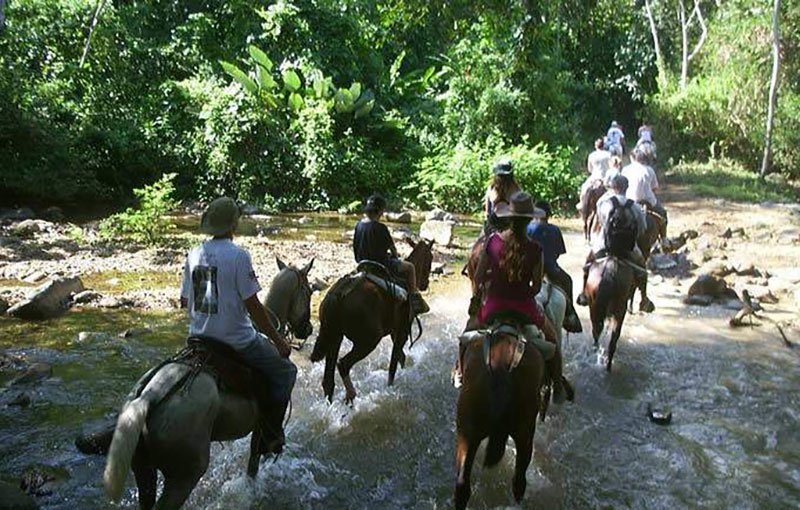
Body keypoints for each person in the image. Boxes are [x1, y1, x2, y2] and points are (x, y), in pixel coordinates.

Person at [180, 197, 296, 456]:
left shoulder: (195, 253)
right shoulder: (239, 256)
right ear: (234, 225)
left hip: (198, 338)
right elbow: (254, 306)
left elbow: (186, 301)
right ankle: (271, 436)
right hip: (237, 341)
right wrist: (279, 340)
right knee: (286, 371)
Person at [472, 192, 567, 403]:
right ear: (529, 220)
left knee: (466, 336)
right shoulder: (535, 249)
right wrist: (524, 293)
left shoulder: (492, 242)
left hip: (493, 307)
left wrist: (487, 290)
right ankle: (558, 386)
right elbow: (535, 286)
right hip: (525, 309)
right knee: (553, 341)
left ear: (509, 217)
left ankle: (460, 372)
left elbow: (478, 278)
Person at [576, 174, 649, 308]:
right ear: (626, 188)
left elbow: (601, 224)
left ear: (613, 187)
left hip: (604, 245)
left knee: (587, 264)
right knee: (643, 269)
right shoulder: (635, 207)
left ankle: (583, 294)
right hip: (628, 248)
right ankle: (644, 299)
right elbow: (642, 228)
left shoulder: (605, 204)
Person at [354, 194, 429, 314]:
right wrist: (395, 256)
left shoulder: (359, 225)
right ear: (379, 211)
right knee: (410, 267)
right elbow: (393, 250)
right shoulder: (380, 227)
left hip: (362, 264)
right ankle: (414, 298)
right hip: (380, 265)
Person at [527, 201, 582, 333]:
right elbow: (558, 253)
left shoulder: (528, 228)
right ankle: (570, 315)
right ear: (549, 215)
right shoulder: (555, 229)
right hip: (552, 270)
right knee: (568, 281)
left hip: (530, 271)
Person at [622, 148, 668, 239]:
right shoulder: (649, 170)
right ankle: (664, 239)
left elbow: (622, 186)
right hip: (648, 200)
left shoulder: (625, 170)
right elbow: (655, 188)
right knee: (662, 214)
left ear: (632, 158)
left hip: (630, 201)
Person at [483, 159, 520, 235]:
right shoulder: (516, 189)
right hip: (508, 226)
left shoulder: (491, 188)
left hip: (497, 225)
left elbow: (487, 212)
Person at [579, 139, 612, 210]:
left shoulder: (591, 155)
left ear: (595, 146)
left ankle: (582, 203)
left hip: (594, 177)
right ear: (603, 145)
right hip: (606, 177)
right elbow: (611, 167)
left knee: (584, 188)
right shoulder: (608, 154)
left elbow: (589, 169)